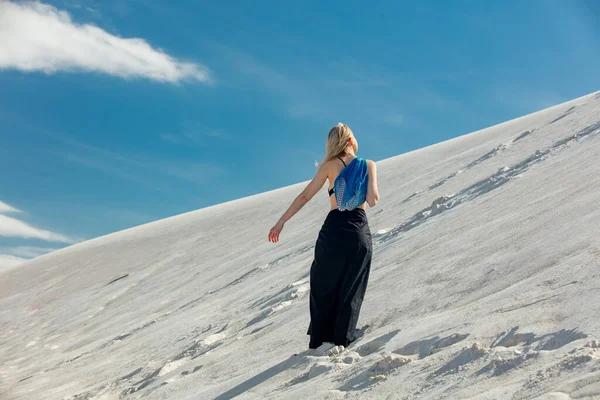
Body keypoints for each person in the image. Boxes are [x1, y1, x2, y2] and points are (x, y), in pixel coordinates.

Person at [268, 123, 380, 349]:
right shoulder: (368, 165)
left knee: (324, 281)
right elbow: (372, 200)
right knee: (353, 281)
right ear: (350, 141)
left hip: (333, 228)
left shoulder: (329, 166)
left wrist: (281, 222)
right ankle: (344, 336)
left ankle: (319, 338)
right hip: (357, 227)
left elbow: (305, 196)